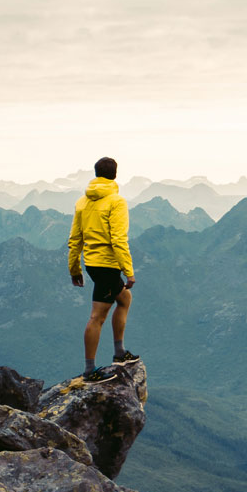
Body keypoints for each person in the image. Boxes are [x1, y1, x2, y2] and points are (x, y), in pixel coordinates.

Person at [68, 156, 141, 382]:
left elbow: (75, 238)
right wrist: (128, 270)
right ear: (115, 175)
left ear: (96, 173)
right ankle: (90, 370)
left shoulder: (82, 202)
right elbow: (118, 238)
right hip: (108, 266)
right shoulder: (116, 201)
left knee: (124, 299)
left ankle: (119, 352)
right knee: (97, 317)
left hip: (91, 264)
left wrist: (75, 268)